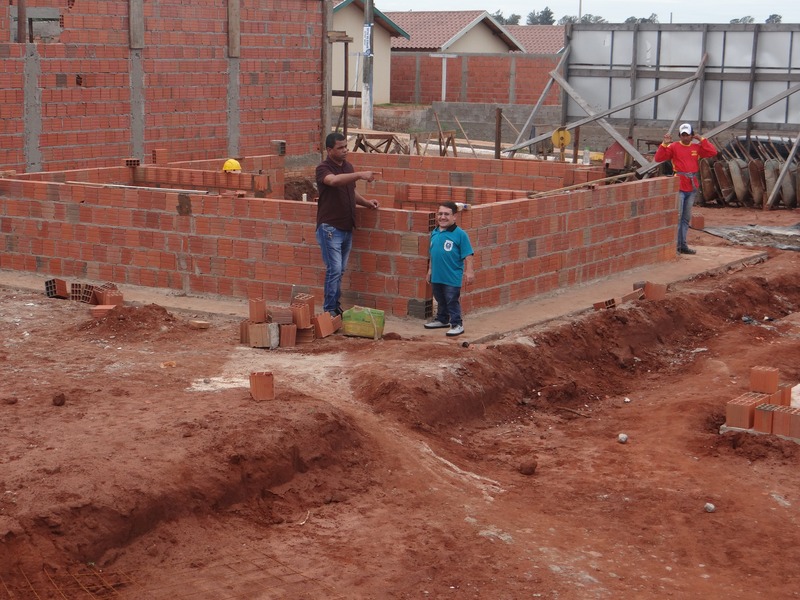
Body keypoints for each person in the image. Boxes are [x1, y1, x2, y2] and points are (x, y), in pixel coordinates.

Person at [315, 132, 379, 317]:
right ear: (329, 150)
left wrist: (367, 203)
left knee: (340, 271)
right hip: (330, 228)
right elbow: (334, 181)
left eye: (345, 147)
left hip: (346, 228)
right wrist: (359, 174)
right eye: (340, 148)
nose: (345, 151)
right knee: (334, 269)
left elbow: (350, 191)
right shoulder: (323, 168)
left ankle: (335, 306)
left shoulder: (348, 167)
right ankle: (329, 310)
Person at [654, 123, 717, 255]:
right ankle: (675, 245)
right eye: (683, 135)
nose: (685, 137)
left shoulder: (696, 147)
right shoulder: (674, 146)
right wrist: (664, 144)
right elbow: (659, 158)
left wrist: (702, 139)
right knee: (677, 216)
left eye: (687, 135)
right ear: (680, 135)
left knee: (686, 217)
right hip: (680, 185)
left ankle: (682, 245)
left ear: (691, 135)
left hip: (691, 185)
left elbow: (712, 152)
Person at [425, 202, 475, 337]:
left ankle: (457, 324)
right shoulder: (434, 232)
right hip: (437, 275)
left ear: (454, 217)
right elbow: (432, 253)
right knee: (439, 298)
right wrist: (430, 270)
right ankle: (442, 319)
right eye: (440, 214)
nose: (442, 217)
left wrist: (469, 271)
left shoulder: (460, 234)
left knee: (451, 299)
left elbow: (468, 255)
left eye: (446, 214)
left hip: (452, 276)